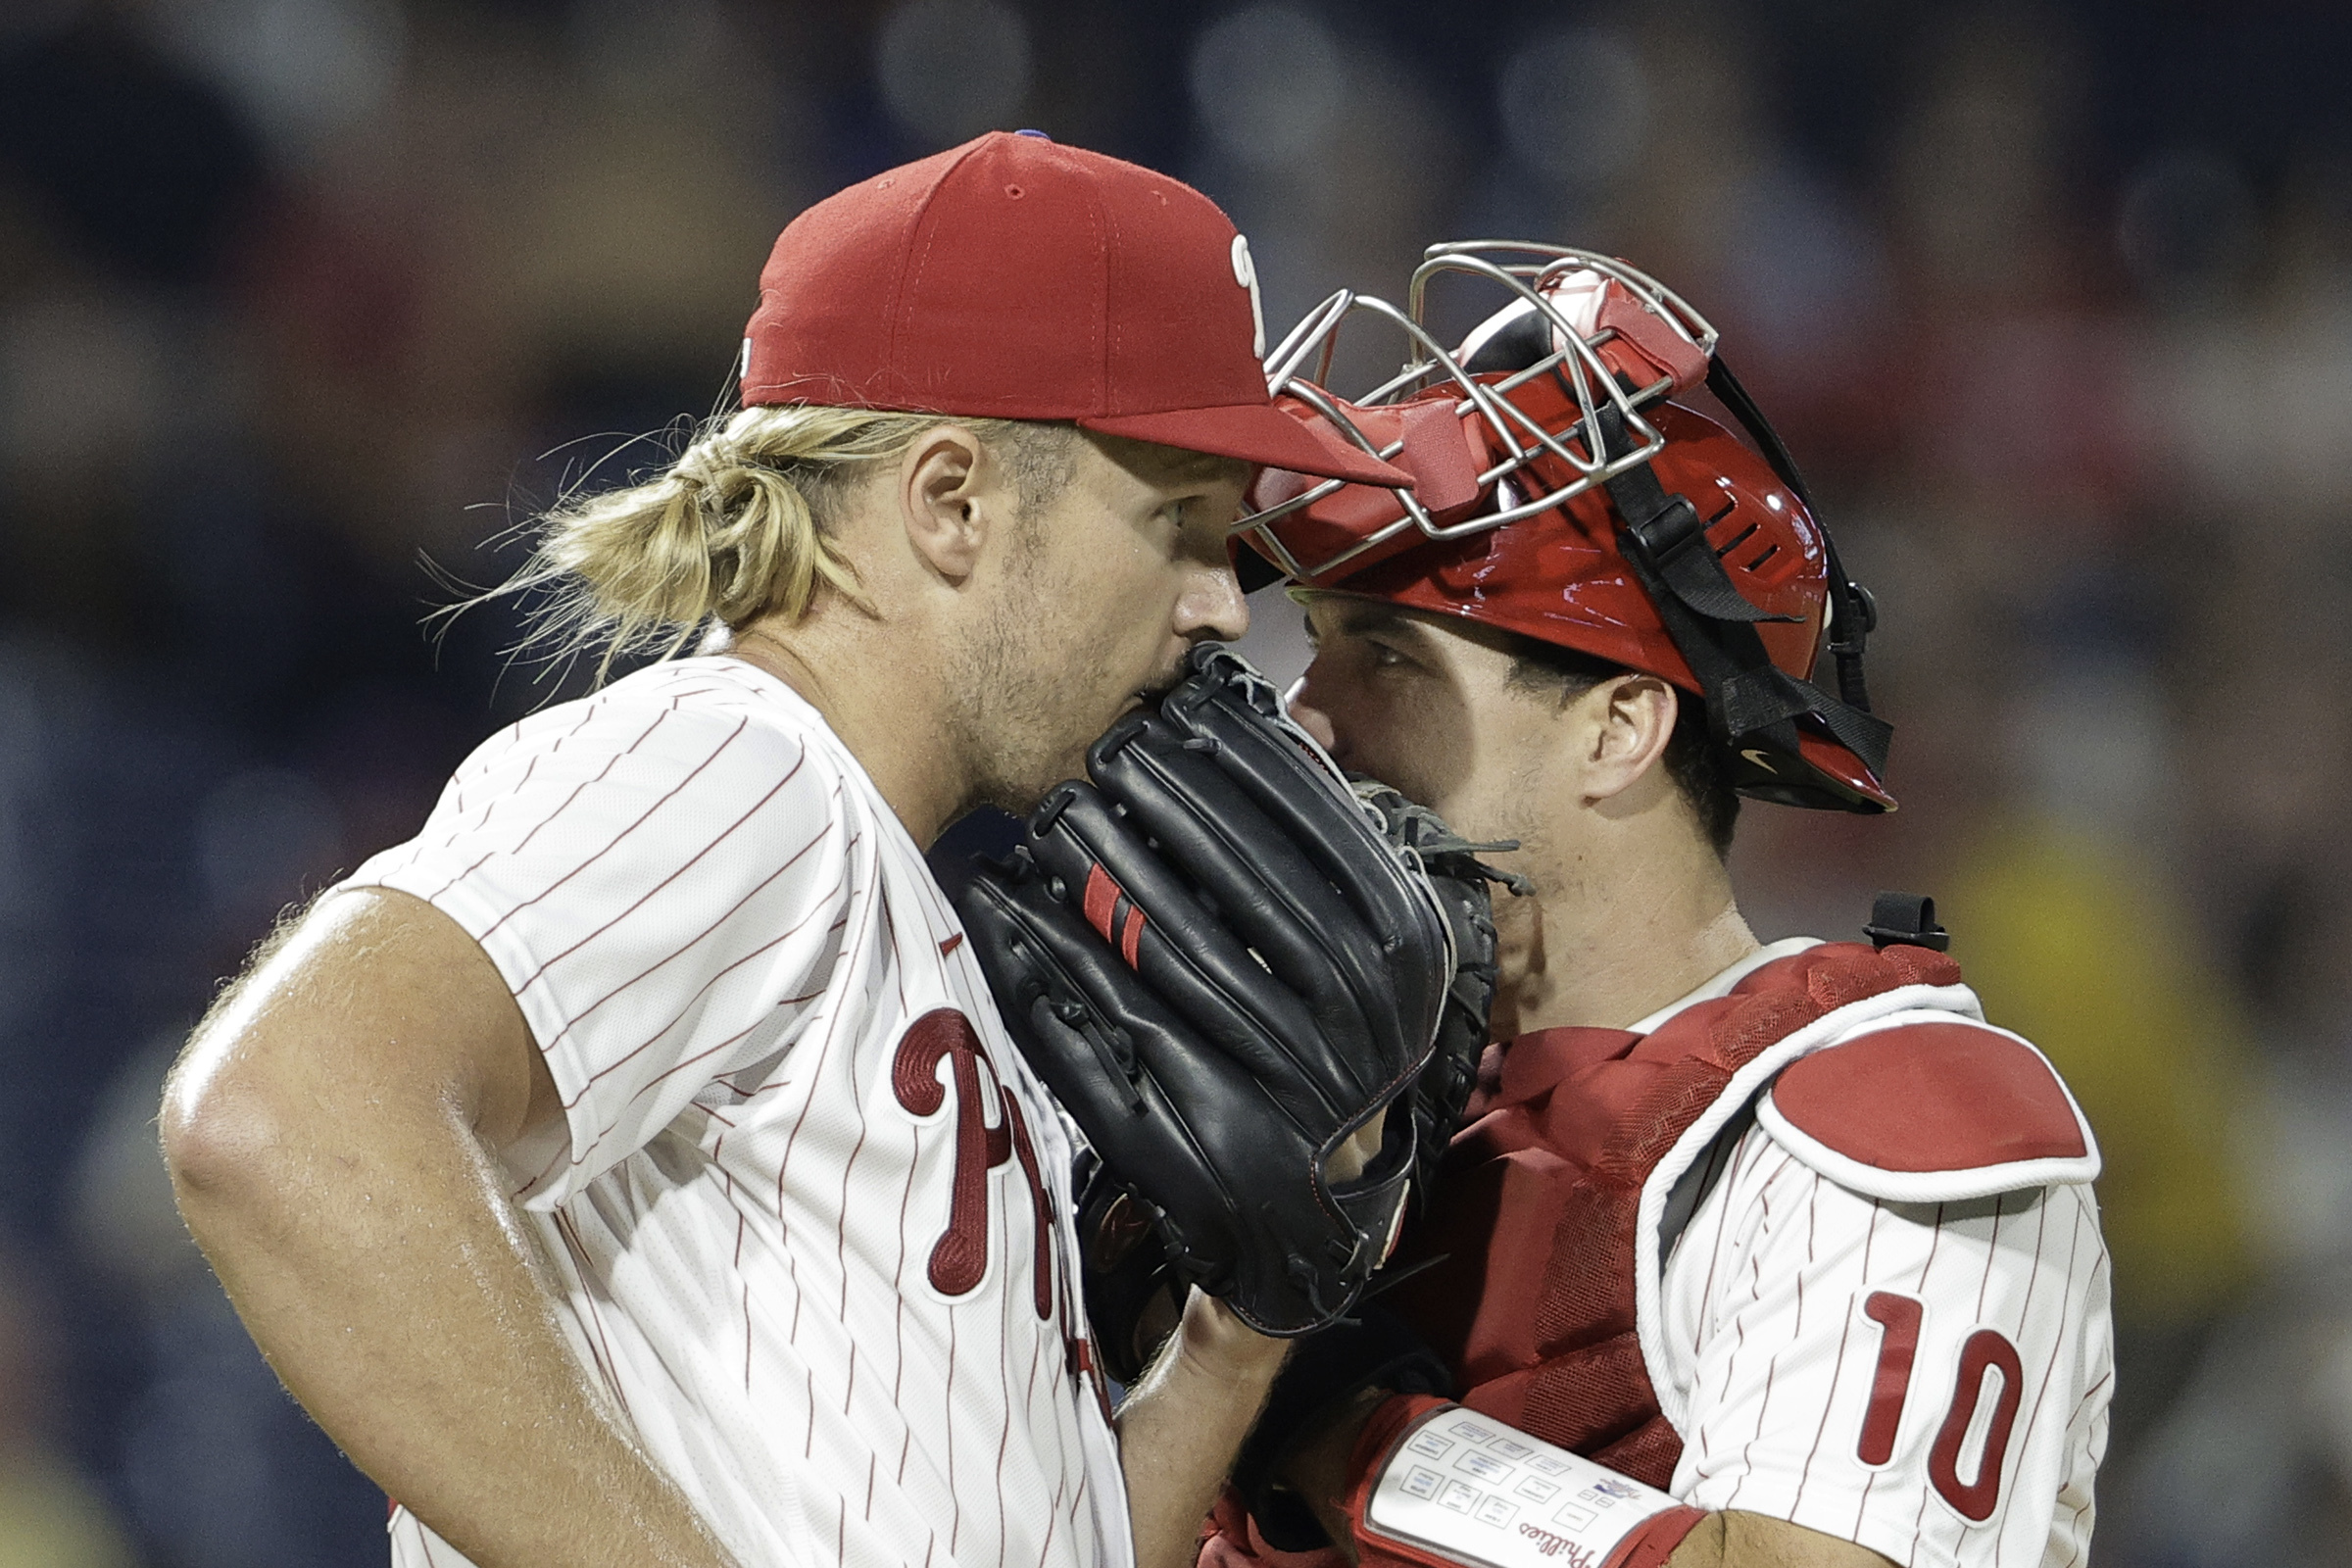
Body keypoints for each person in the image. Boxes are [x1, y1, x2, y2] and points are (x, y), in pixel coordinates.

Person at [158, 131, 1412, 1568]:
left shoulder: (881, 898)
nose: (1212, 604)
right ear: (951, 501)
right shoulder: (739, 768)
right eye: (1180, 523)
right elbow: (286, 1113)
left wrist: (1234, 1348)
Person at [1198, 247, 2112, 1568]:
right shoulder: (1346, 1124)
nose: (1307, 716)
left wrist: (1350, 1427)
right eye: (1320, 651)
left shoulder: (1885, 1118)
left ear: (1620, 725)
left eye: (1388, 658)